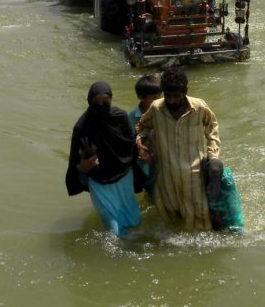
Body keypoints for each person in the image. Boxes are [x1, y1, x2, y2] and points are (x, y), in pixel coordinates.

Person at [137, 67, 220, 230]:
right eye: (168, 96)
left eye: (177, 96)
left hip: (194, 175)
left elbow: (212, 129)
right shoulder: (155, 108)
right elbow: (143, 128)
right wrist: (141, 146)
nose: (172, 100)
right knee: (170, 221)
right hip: (166, 175)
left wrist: (213, 156)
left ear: (185, 92)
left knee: (202, 220)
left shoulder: (199, 107)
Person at [66, 81, 142, 238]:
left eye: (105, 100)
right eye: (97, 101)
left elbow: (131, 142)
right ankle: (117, 256)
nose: (101, 104)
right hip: (100, 183)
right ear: (89, 101)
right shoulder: (82, 126)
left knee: (133, 222)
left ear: (111, 99)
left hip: (124, 177)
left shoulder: (120, 117)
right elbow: (75, 161)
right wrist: (84, 166)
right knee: (112, 229)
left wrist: (141, 146)